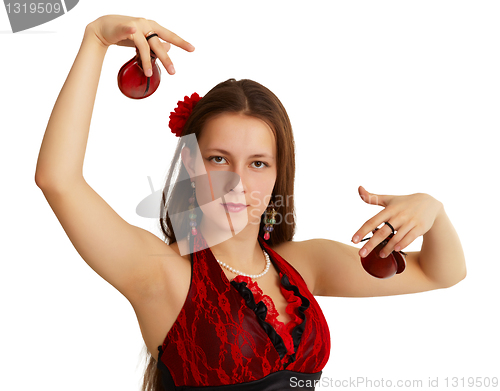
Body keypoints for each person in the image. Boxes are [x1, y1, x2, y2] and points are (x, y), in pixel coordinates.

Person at [34, 14, 467, 391]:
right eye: (219, 159)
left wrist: (433, 210)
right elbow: (58, 180)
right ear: (190, 163)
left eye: (258, 163)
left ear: (280, 173)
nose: (237, 183)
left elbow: (440, 273)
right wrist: (96, 40)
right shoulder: (163, 275)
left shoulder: (303, 264)